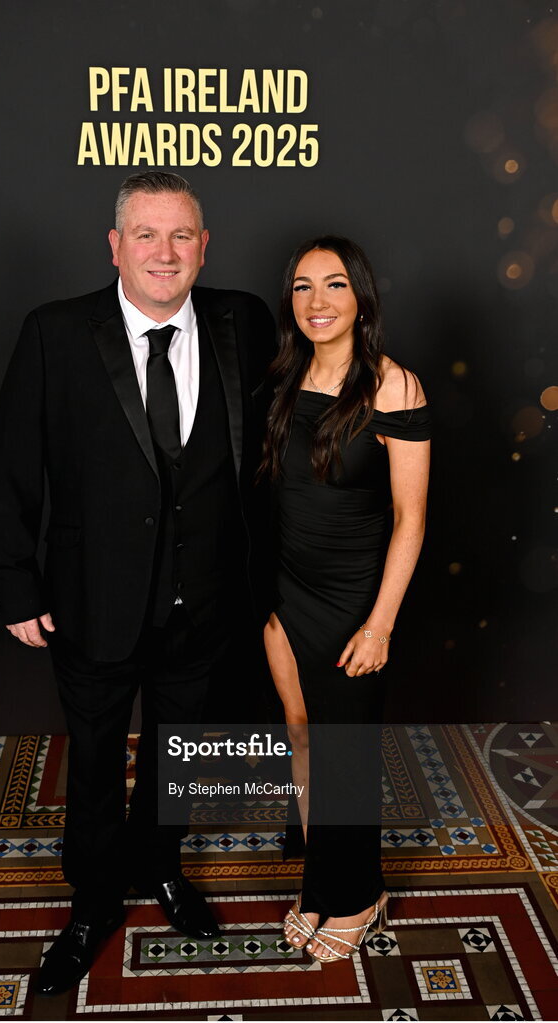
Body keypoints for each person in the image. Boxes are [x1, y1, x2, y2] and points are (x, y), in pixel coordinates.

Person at [0, 171, 274, 995]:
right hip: (92, 599)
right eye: (145, 234)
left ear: (204, 246)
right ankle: (93, 899)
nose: (164, 251)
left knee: (180, 754)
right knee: (98, 760)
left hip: (205, 600)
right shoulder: (54, 332)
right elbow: (10, 469)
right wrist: (17, 585)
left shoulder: (241, 320)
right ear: (114, 246)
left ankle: (163, 867)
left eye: (181, 235)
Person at [260, 237, 430, 963]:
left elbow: (410, 518)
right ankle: (321, 878)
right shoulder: (284, 374)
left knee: (345, 754)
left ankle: (358, 894)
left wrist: (380, 622)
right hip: (283, 593)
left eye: (333, 285)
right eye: (302, 287)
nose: (317, 302)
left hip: (354, 599)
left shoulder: (395, 386)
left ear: (360, 296)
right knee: (301, 736)